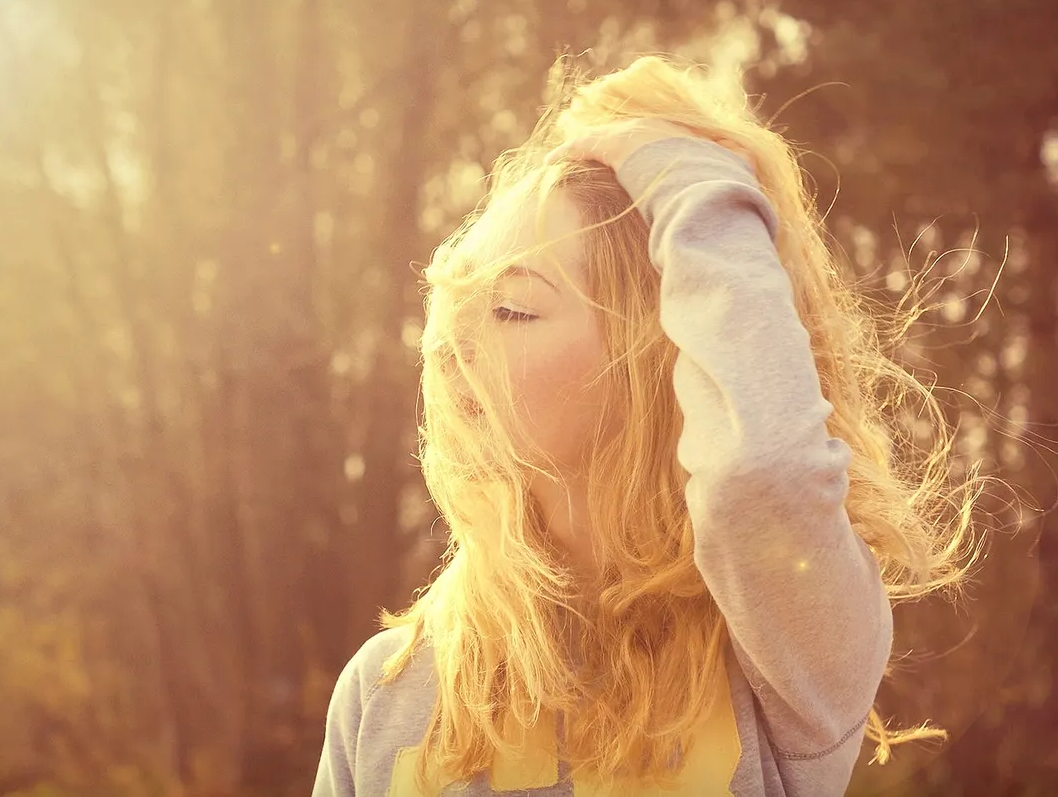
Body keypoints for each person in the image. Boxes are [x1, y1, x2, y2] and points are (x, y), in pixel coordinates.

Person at [312, 54, 983, 796]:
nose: (447, 346)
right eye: (454, 306)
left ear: (657, 353)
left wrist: (687, 176)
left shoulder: (782, 653)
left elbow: (759, 476)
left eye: (511, 309)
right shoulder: (384, 691)